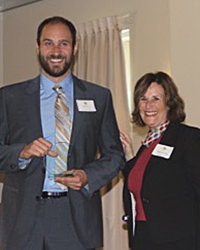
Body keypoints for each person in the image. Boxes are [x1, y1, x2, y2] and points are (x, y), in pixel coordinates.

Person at [0, 16, 125, 250]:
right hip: (24, 220)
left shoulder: (99, 97)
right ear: (37, 47)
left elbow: (115, 155)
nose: (56, 51)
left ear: (75, 47)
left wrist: (88, 175)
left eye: (63, 44)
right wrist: (22, 152)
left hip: (75, 218)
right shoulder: (9, 98)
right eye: (48, 43)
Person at [120, 71, 200, 250]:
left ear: (169, 104)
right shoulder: (146, 147)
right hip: (143, 237)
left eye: (156, 98)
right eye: (143, 98)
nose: (148, 105)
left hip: (179, 241)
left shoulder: (187, 138)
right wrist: (129, 157)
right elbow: (145, 184)